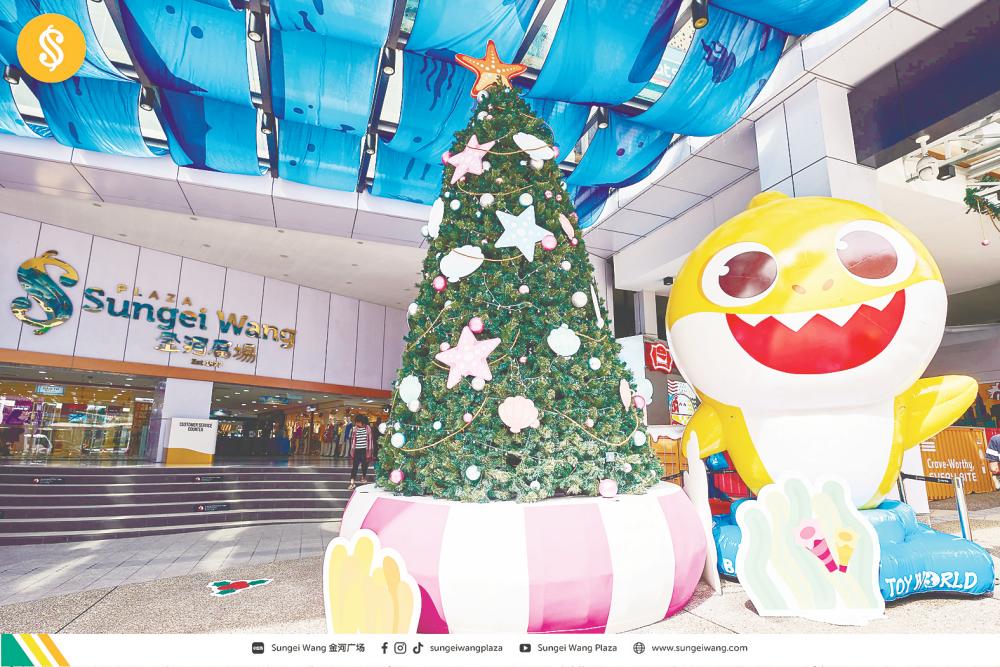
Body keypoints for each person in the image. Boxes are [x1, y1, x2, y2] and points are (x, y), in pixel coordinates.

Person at [348, 415, 374, 490]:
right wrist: (352, 450)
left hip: (365, 450)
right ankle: (352, 482)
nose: (357, 424)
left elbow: (370, 440)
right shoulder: (354, 429)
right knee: (354, 467)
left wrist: (370, 452)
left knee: (364, 465)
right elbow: (352, 440)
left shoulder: (368, 428)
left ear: (362, 422)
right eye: (356, 422)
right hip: (356, 450)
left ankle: (363, 477)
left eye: (358, 422)